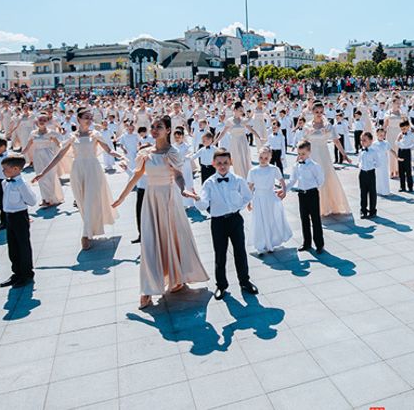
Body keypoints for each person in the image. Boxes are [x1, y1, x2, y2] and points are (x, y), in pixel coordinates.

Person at [112, 116, 209, 309]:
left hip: (169, 199)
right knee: (150, 242)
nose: (154, 130)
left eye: (159, 127)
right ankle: (147, 290)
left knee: (172, 239)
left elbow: (179, 175)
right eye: (153, 126)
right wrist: (121, 197)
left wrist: (183, 190)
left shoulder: (171, 153)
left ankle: (177, 277)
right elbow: (136, 176)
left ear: (168, 130)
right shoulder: (145, 153)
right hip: (151, 199)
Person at [34, 107, 122, 250]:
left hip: (93, 169)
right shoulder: (72, 137)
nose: (89, 120)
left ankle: (85, 235)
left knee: (90, 200)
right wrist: (43, 173)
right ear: (78, 119)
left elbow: (109, 150)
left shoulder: (96, 134)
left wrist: (120, 157)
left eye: (90, 117)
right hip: (78, 170)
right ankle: (89, 229)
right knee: (82, 202)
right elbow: (59, 156)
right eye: (86, 117)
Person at [196, 149, 258, 300]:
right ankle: (221, 285)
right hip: (217, 222)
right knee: (220, 254)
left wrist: (237, 206)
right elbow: (203, 204)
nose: (222, 166)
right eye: (219, 163)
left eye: (225, 163)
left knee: (240, 252)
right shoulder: (209, 183)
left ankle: (245, 281)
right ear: (213, 164)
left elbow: (247, 196)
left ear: (230, 163)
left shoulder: (237, 180)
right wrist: (197, 199)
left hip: (235, 220)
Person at [303, 101, 352, 214]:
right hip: (312, 154)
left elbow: (336, 140)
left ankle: (328, 206)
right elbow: (304, 141)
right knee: (313, 179)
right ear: (312, 112)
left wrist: (344, 154)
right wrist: (300, 156)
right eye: (316, 112)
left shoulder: (328, 126)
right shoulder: (307, 126)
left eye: (321, 111)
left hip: (324, 154)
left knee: (326, 177)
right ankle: (315, 207)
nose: (319, 114)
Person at [0, 153, 37, 288]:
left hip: (20, 216)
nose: (3, 171)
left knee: (23, 246)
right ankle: (16, 272)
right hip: (9, 216)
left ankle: (26, 273)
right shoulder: (5, 182)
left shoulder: (21, 184)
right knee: (13, 246)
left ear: (16, 169)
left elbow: (32, 201)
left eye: (5, 168)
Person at [247, 146, 292, 255]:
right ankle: (260, 244)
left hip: (270, 197)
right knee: (259, 220)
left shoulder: (273, 169)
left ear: (270, 158)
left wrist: (284, 190)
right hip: (258, 198)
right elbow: (250, 187)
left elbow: (282, 180)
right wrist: (248, 202)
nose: (263, 160)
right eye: (261, 157)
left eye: (266, 158)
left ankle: (270, 242)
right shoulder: (253, 171)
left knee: (270, 219)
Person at [290, 140, 325, 252]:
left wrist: (312, 188)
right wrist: (283, 189)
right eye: (299, 154)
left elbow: (320, 180)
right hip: (302, 195)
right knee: (304, 219)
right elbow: (292, 180)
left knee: (315, 219)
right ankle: (307, 242)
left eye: (303, 154)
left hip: (312, 194)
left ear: (309, 152)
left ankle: (319, 244)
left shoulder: (315, 166)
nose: (301, 156)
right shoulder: (296, 166)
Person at [357, 131, 378, 219]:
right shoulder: (360, 151)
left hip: (370, 173)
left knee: (372, 192)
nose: (362, 142)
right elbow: (359, 161)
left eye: (365, 140)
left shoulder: (373, 151)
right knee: (363, 193)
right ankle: (363, 210)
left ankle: (372, 210)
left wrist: (371, 166)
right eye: (361, 140)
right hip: (362, 173)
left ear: (371, 141)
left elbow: (378, 163)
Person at [395, 119, 414, 192]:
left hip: (407, 152)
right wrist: (398, 140)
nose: (403, 130)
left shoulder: (411, 135)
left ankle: (410, 187)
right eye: (401, 129)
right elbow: (396, 144)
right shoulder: (400, 134)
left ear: (408, 127)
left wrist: (409, 149)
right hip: (400, 152)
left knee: (408, 171)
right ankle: (402, 187)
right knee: (401, 170)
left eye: (404, 128)